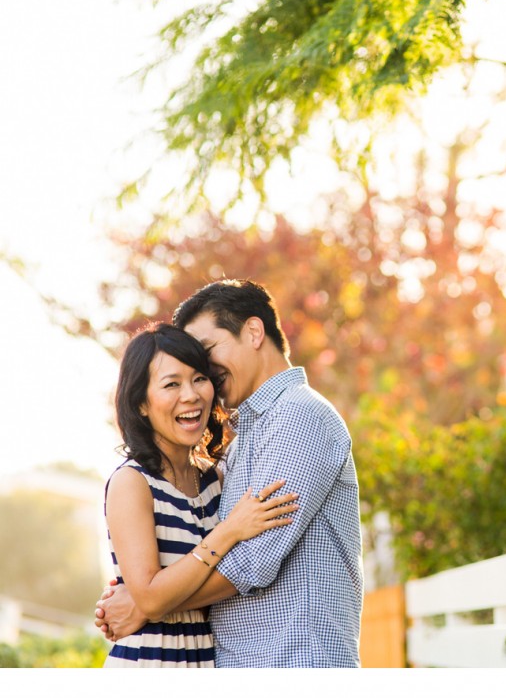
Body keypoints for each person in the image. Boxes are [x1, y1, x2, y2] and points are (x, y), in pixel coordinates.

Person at [97, 279, 364, 667]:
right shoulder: (240, 444)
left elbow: (253, 560)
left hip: (295, 661)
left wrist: (147, 605)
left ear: (254, 332)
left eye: (206, 357)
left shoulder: (299, 417)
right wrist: (149, 593)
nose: (203, 377)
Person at [104, 322, 298, 667]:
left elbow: (221, 581)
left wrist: (135, 602)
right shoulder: (132, 483)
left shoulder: (216, 480)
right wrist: (230, 531)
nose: (191, 395)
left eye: (199, 378)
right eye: (171, 384)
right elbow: (149, 597)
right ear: (142, 404)